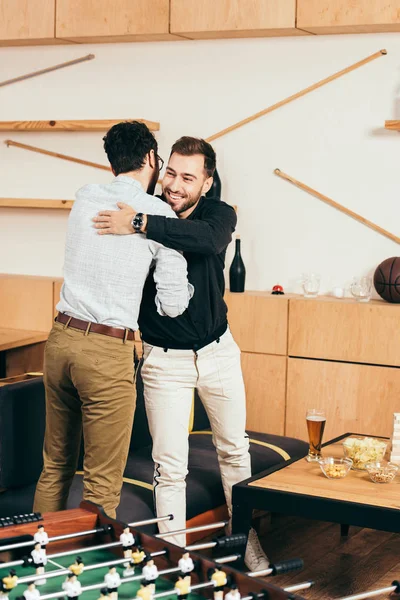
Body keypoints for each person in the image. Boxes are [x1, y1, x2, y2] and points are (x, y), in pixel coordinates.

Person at [93, 136, 269, 571]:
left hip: (218, 353)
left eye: (188, 177)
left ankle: (246, 538)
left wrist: (141, 224)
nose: (175, 184)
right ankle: (175, 560)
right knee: (169, 467)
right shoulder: (141, 208)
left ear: (207, 183)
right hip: (162, 360)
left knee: (234, 451)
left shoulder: (217, 215)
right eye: (170, 172)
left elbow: (206, 241)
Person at [33, 121, 193, 519]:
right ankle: (86, 573)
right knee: (101, 483)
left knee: (55, 466)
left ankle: (34, 564)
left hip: (60, 339)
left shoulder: (85, 200)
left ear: (113, 161)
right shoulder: (156, 213)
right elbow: (173, 304)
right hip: (106, 351)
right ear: (152, 159)